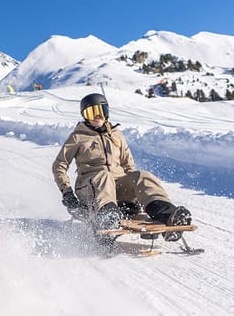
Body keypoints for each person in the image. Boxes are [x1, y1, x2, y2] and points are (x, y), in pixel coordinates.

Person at [52, 93, 192, 235]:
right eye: (91, 112)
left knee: (141, 175)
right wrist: (67, 192)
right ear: (84, 116)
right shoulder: (77, 137)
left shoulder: (115, 134)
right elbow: (59, 165)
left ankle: (166, 214)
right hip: (91, 188)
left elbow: (128, 165)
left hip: (116, 186)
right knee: (104, 176)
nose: (97, 117)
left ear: (106, 112)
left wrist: (135, 191)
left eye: (100, 111)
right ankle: (107, 218)